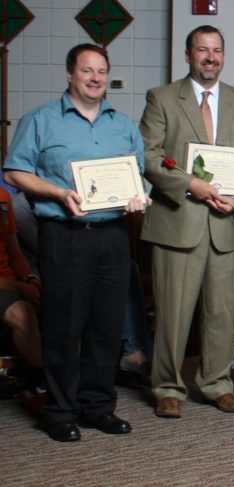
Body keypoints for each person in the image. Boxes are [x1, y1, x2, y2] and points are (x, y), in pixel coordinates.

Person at [3, 43, 147, 441]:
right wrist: (57, 193)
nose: (95, 77)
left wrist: (140, 196)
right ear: (70, 74)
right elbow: (15, 172)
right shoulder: (41, 120)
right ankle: (60, 410)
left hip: (114, 236)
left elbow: (139, 175)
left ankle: (98, 407)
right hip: (64, 236)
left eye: (101, 70)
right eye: (87, 70)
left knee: (106, 325)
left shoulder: (123, 124)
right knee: (64, 327)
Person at [141, 25, 234, 419]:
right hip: (179, 221)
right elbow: (149, 157)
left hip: (225, 223)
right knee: (173, 313)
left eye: (216, 50)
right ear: (188, 55)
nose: (210, 57)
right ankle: (167, 386)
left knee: (222, 313)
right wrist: (191, 184)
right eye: (201, 50)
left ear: (223, 56)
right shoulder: (161, 98)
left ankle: (216, 384)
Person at [0, 186, 43, 395]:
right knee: (21, 314)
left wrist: (31, 280)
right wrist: (21, 288)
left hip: (11, 280)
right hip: (7, 286)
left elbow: (15, 252)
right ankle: (41, 378)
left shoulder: (2, 196)